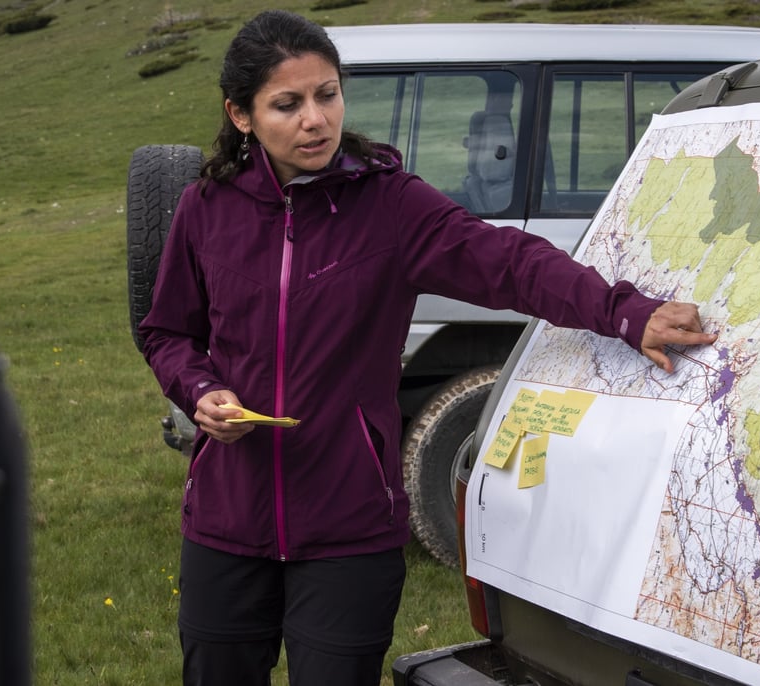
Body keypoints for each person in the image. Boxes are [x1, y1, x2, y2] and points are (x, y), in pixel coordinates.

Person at [138, 9, 718, 686]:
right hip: (225, 524)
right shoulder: (206, 208)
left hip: (348, 528)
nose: (314, 120)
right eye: (287, 105)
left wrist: (626, 313)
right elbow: (168, 332)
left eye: (327, 95)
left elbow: (510, 262)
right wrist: (200, 390)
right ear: (242, 116)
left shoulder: (390, 205)